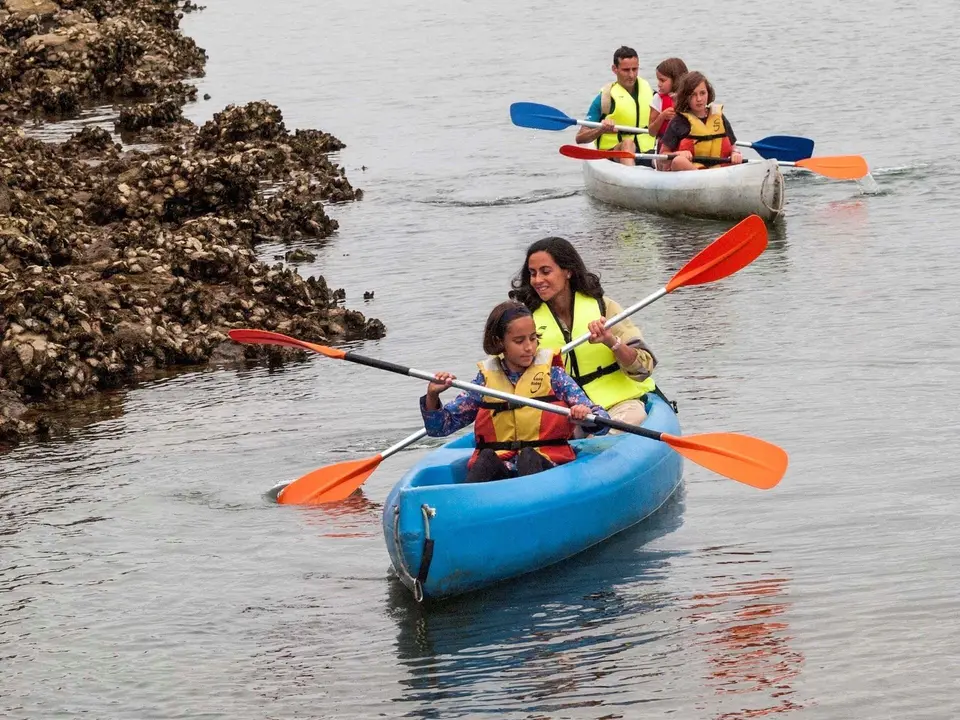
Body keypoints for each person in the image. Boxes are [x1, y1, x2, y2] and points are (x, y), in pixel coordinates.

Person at [421, 301, 610, 484]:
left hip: (548, 466)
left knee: (528, 455)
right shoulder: (485, 382)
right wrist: (433, 396)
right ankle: (469, 507)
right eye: (519, 341)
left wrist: (583, 415)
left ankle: (535, 506)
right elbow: (440, 428)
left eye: (533, 338)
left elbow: (601, 419)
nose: (529, 347)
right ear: (499, 342)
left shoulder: (554, 375)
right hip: (503, 469)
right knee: (486, 458)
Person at [511, 237, 662, 429]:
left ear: (568, 271)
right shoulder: (526, 321)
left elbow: (644, 368)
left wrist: (611, 341)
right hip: (563, 412)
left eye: (545, 272)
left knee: (629, 420)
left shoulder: (604, 307)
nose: (537, 280)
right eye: (532, 274)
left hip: (618, 405)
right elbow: (503, 373)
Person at [575, 46, 656, 167]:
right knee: (628, 143)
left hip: (647, 152)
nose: (631, 75)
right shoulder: (605, 99)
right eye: (626, 70)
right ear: (615, 69)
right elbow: (580, 138)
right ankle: (630, 179)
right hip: (614, 153)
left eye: (635, 69)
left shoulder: (651, 93)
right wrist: (601, 129)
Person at [659, 70, 743, 171]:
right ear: (686, 97)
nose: (699, 99)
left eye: (702, 93)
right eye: (693, 95)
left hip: (719, 169)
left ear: (708, 93)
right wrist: (678, 153)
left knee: (738, 161)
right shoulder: (678, 121)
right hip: (692, 169)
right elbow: (662, 156)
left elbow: (733, 146)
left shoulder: (719, 117)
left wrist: (735, 153)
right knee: (678, 161)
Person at [647, 57, 688, 148]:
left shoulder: (689, 98)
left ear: (676, 79)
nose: (658, 84)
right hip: (664, 147)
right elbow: (651, 132)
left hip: (686, 146)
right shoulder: (658, 99)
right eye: (658, 80)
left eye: (662, 80)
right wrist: (662, 116)